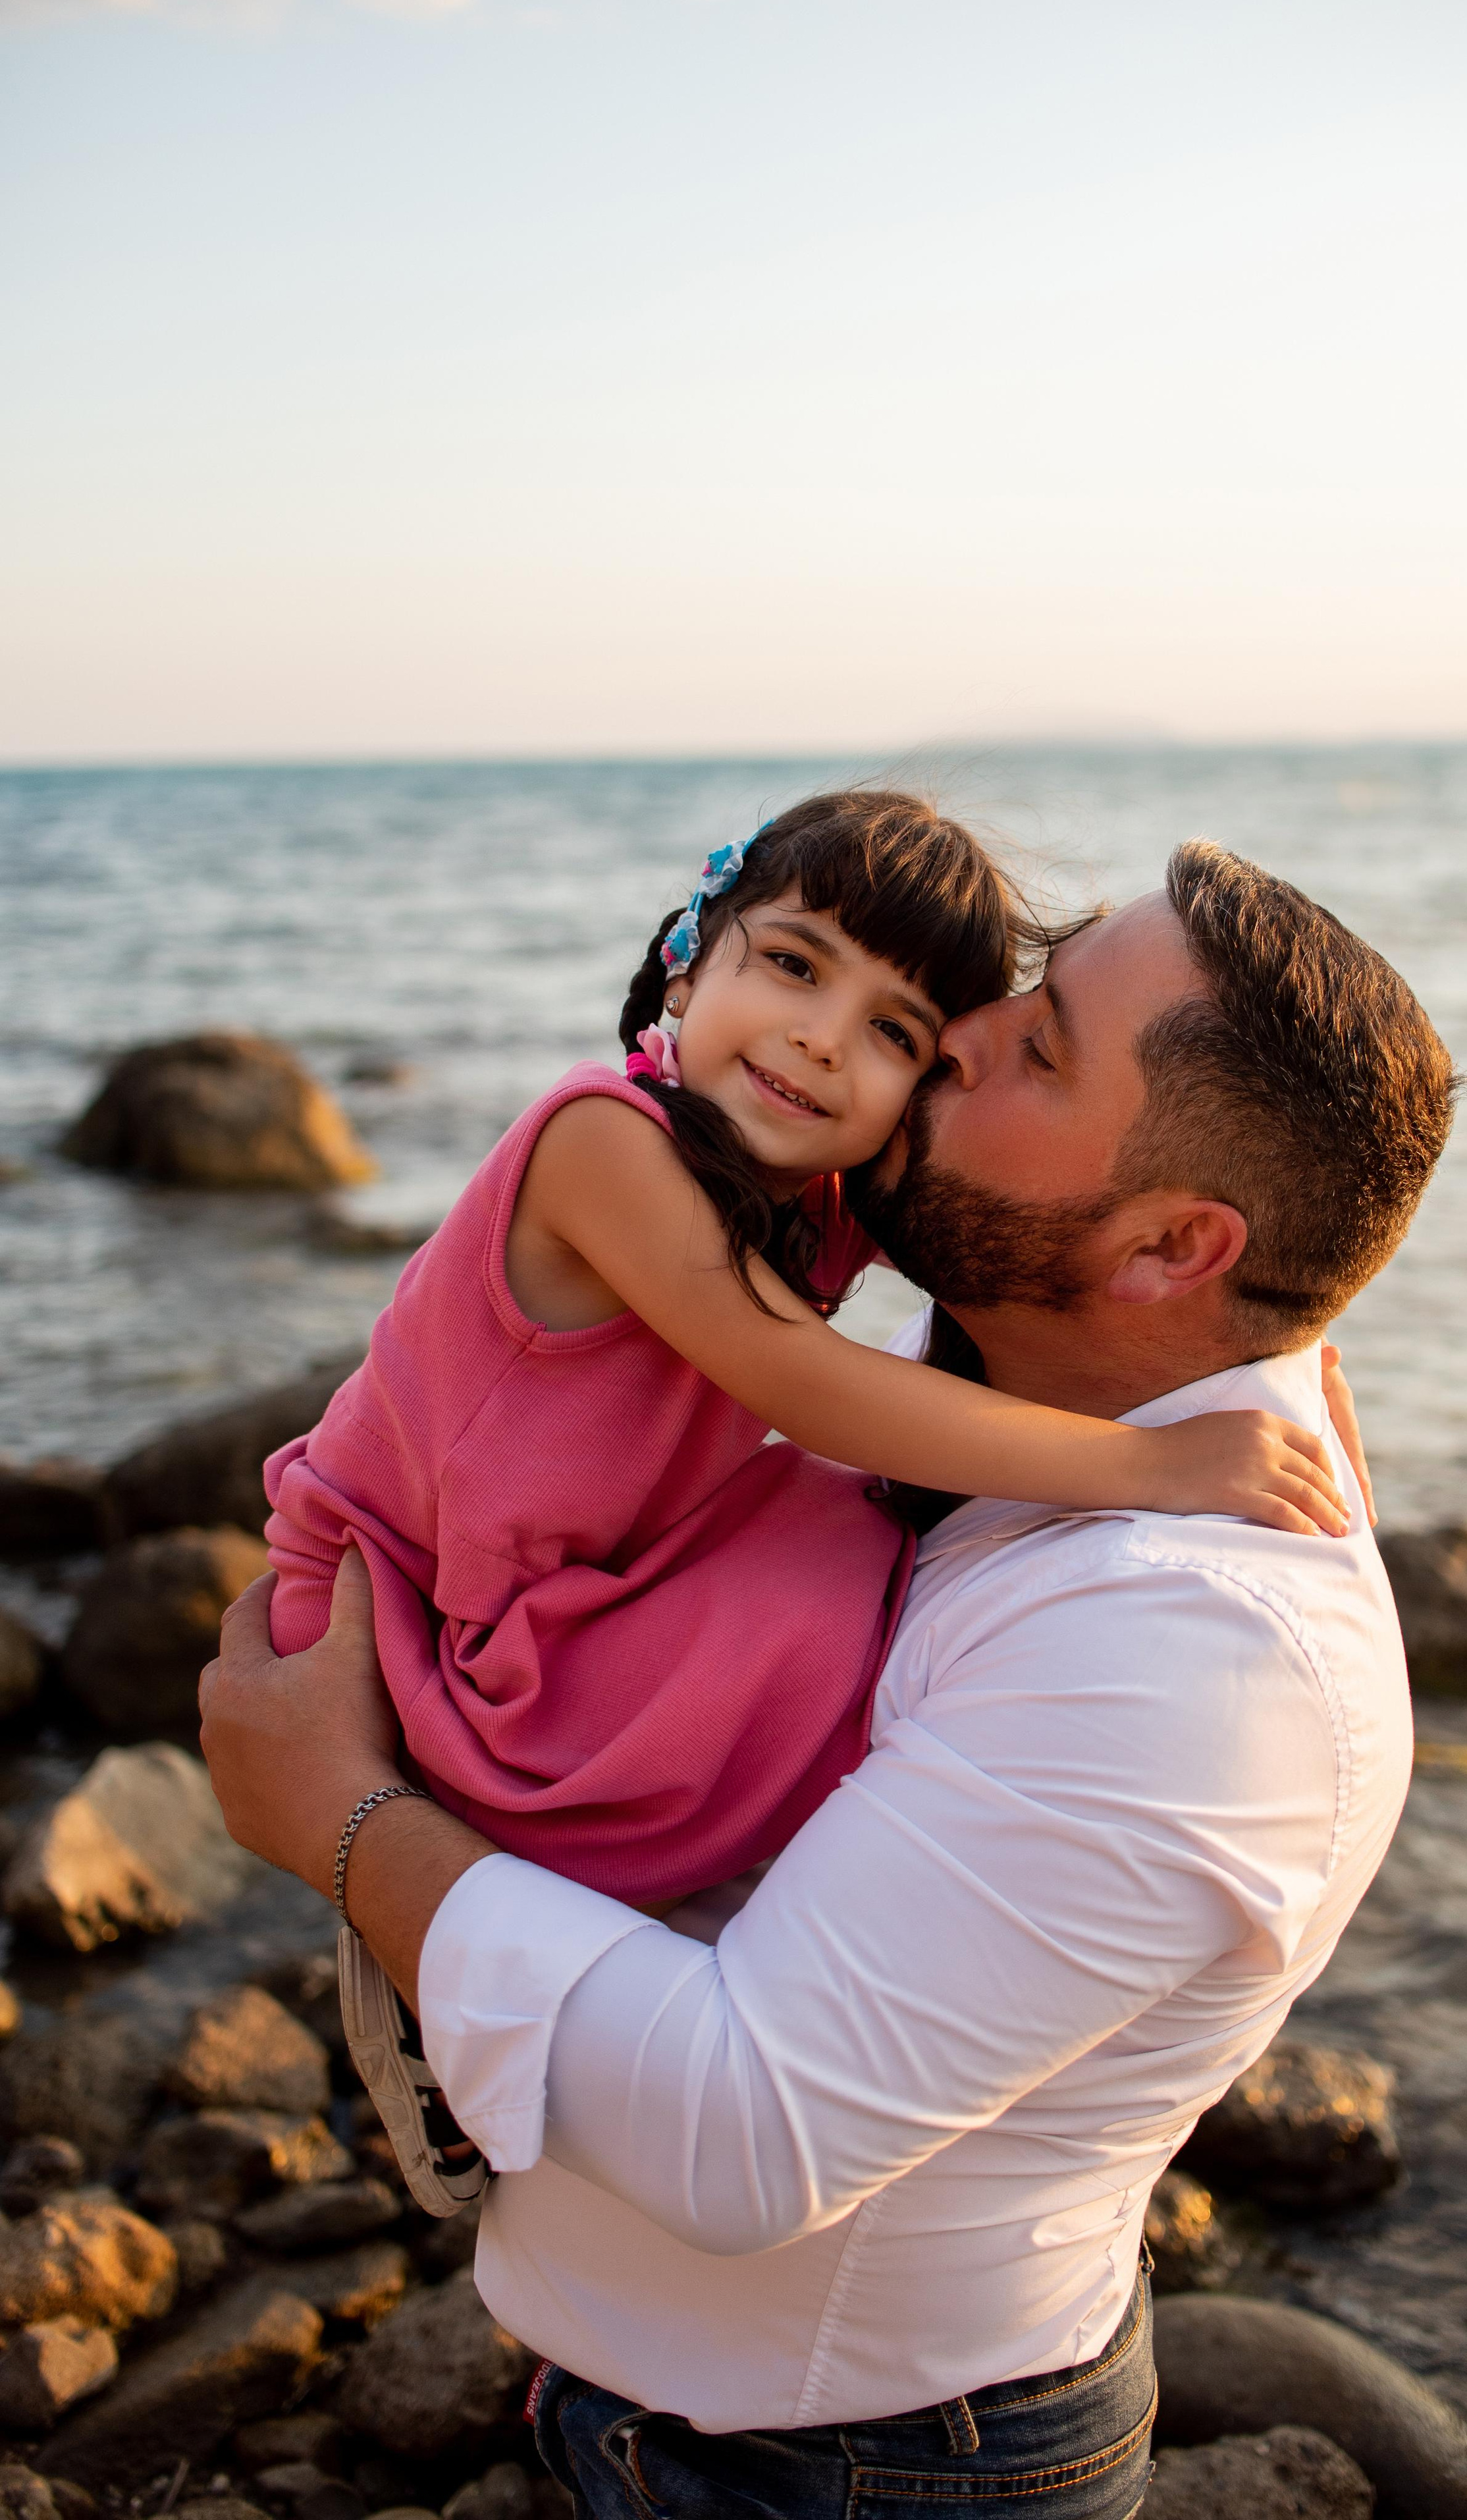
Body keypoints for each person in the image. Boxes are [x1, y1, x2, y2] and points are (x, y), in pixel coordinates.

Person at [202, 839, 1460, 2520]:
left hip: (836, 2474)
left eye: (1037, 1047)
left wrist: (339, 1820)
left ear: (1170, 1246)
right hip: (704, 2419)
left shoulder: (1192, 1648)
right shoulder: (1110, 1394)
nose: (954, 1037)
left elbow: (739, 2138)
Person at [261, 792, 1347, 2208]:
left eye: (895, 1032)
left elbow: (1058, 1213)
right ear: (689, 958)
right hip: (432, 1617)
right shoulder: (600, 1142)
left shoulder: (805, 1175)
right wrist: (1155, 1462)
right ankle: (451, 1990)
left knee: (866, 1527)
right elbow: (799, 1375)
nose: (820, 1039)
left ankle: (563, 1967)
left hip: (562, 1585)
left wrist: (1282, 1332)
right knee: (854, 1524)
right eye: (788, 965)